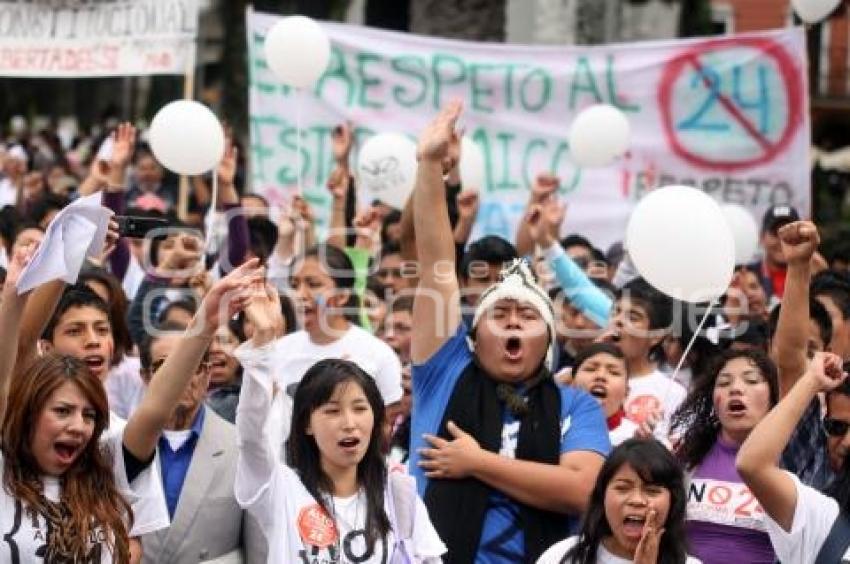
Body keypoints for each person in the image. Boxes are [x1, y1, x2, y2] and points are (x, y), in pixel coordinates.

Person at [411, 101, 610, 563]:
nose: (515, 321)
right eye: (500, 315)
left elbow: (582, 489)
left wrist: (477, 462)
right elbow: (437, 268)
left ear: (549, 342)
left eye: (528, 315)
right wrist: (428, 165)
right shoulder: (444, 369)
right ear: (474, 336)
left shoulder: (574, 403)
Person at [234, 282, 446, 563]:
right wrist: (262, 342)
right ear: (306, 423)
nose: (349, 423)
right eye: (332, 411)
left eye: (360, 408)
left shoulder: (397, 493)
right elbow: (251, 436)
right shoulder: (280, 489)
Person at [136, 321, 266, 563]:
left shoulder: (240, 450)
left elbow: (259, 552)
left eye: (192, 366)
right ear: (145, 376)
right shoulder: (118, 447)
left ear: (207, 373)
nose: (180, 376)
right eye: (165, 365)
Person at [267, 243, 403, 445]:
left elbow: (384, 432)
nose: (301, 295)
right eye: (295, 285)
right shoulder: (278, 351)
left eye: (313, 284)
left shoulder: (378, 354)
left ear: (342, 296)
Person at [736, 352, 850, 563]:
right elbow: (752, 465)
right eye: (837, 427)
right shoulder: (821, 518)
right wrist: (811, 381)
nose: (848, 442)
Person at [671, 350, 779, 564]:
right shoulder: (687, 455)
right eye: (724, 383)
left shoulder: (793, 458)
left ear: (774, 395)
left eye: (751, 380)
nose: (736, 389)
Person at [536, 439, 700, 564]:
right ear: (603, 496)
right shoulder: (563, 556)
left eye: (652, 491)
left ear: (673, 501)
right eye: (623, 488)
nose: (636, 500)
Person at [601, 277, 686, 442]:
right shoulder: (578, 376)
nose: (618, 321)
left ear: (656, 337)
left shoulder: (672, 392)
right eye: (616, 312)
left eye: (633, 317)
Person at [569, 343, 638, 446]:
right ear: (572, 386)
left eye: (614, 372)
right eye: (590, 369)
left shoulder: (635, 439)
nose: (601, 376)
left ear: (626, 393)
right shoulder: (551, 428)